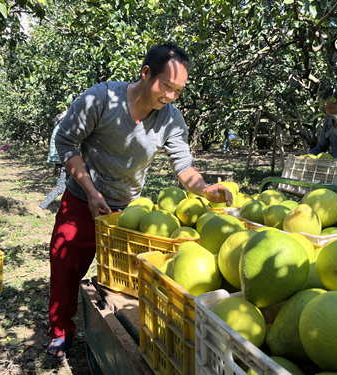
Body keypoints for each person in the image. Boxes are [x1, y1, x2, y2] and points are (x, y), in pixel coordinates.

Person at [45, 42, 233, 363]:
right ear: (146, 73)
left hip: (128, 211)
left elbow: (183, 165)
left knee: (125, 279)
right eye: (167, 86)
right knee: (65, 266)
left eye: (178, 90)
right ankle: (60, 331)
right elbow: (65, 141)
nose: (171, 96)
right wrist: (90, 191)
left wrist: (205, 189)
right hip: (82, 199)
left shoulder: (170, 118)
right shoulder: (101, 99)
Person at [38, 123, 68, 210]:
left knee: (71, 186)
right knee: (61, 188)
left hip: (60, 161)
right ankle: (42, 206)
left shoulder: (59, 127)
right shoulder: (64, 128)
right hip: (64, 161)